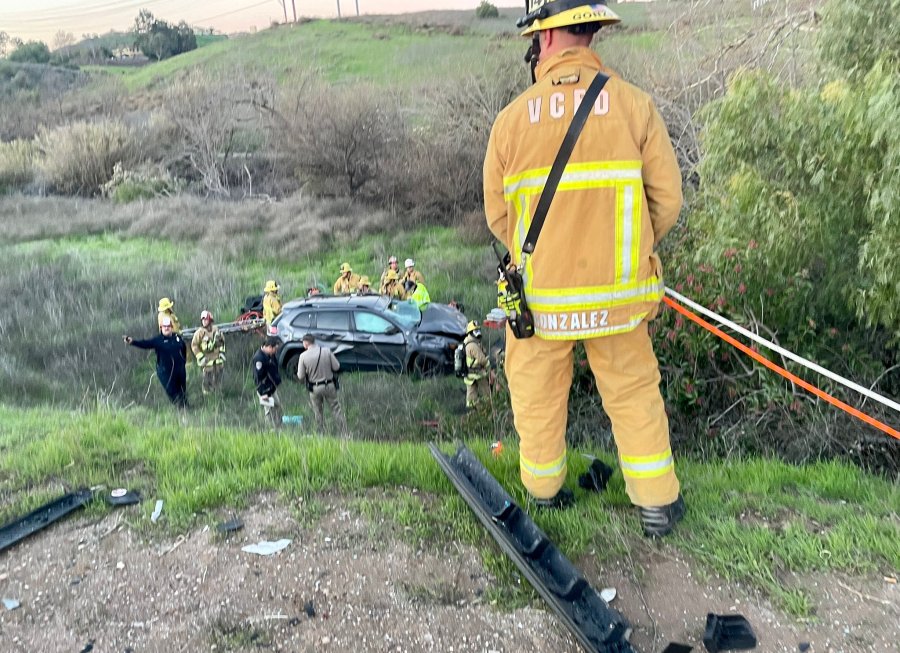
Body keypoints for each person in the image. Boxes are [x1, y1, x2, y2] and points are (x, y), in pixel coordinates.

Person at [482, 0, 684, 536]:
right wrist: (631, 251)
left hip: (541, 303)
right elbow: (667, 200)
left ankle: (545, 494)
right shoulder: (634, 106)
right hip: (619, 298)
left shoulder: (509, 122)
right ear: (590, 34)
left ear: (545, 40)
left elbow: (499, 215)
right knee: (634, 393)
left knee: (536, 396)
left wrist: (543, 260)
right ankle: (656, 505)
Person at [124, 316, 187, 407]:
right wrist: (133, 342)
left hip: (180, 370)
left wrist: (183, 362)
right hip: (165, 371)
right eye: (164, 326)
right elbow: (145, 344)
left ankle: (186, 408)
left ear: (171, 327)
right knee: (173, 392)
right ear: (161, 328)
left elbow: (184, 349)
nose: (166, 328)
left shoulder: (177, 337)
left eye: (168, 326)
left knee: (182, 391)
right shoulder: (158, 340)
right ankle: (180, 409)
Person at [296, 334, 348, 437]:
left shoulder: (303, 356)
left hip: (315, 388)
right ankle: (344, 433)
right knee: (336, 409)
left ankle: (320, 433)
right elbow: (337, 367)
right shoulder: (326, 351)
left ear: (306, 343)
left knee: (318, 411)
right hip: (329, 385)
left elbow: (301, 376)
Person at [190, 310, 226, 395]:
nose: (204, 321)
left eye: (206, 319)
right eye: (202, 320)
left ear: (210, 320)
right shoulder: (199, 332)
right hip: (207, 360)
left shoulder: (216, 329)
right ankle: (207, 395)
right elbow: (194, 345)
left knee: (218, 376)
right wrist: (201, 357)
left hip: (217, 359)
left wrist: (221, 352)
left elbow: (222, 341)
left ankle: (218, 392)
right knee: (207, 377)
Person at [252, 336, 283, 428]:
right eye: (275, 349)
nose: (276, 352)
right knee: (268, 410)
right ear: (269, 347)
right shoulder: (259, 358)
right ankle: (270, 428)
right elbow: (258, 377)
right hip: (264, 390)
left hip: (272, 388)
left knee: (277, 406)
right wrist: (263, 392)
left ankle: (278, 425)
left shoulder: (271, 355)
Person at [462, 320, 491, 409]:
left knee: (471, 393)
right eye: (476, 331)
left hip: (469, 374)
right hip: (477, 373)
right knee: (486, 391)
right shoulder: (472, 345)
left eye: (478, 330)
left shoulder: (469, 343)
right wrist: (490, 366)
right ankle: (488, 406)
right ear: (470, 333)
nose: (478, 333)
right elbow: (482, 359)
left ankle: (473, 409)